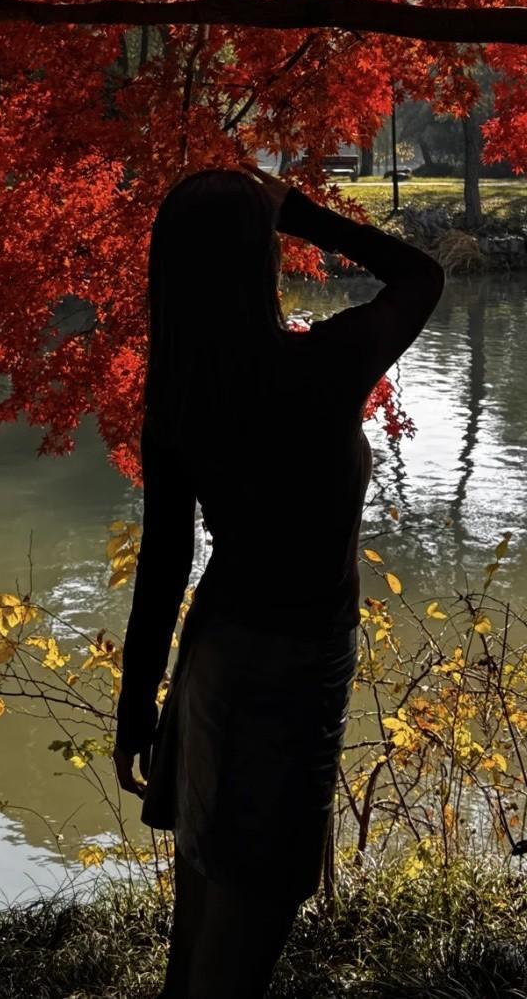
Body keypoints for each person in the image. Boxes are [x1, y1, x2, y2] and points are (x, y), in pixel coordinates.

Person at [114, 165, 444, 999]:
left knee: (201, 920)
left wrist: (137, 704)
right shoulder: (324, 366)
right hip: (294, 668)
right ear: (258, 259)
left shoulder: (180, 394)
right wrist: (295, 209)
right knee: (252, 923)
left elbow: (164, 563)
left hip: (214, 660)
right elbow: (420, 275)